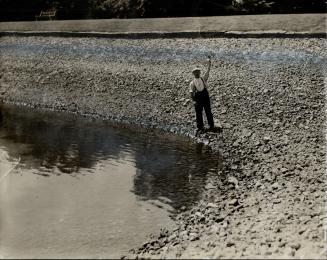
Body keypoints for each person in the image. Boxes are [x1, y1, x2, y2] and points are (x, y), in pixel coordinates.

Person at [189, 56, 214, 133]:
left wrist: (209, 63)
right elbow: (191, 92)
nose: (197, 73)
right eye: (195, 73)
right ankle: (200, 127)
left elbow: (208, 71)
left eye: (198, 72)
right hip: (198, 98)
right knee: (198, 113)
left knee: (208, 111)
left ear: (199, 73)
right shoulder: (192, 83)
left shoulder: (203, 78)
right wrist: (193, 101)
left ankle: (211, 125)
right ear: (194, 74)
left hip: (205, 96)